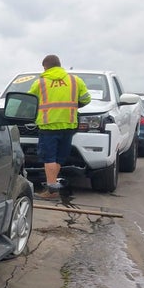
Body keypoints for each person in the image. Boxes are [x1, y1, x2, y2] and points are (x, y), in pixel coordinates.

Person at [28, 55, 91, 200]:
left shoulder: (40, 83)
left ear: (45, 67)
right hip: (68, 125)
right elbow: (86, 99)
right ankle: (53, 187)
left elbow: (30, 102)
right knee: (58, 159)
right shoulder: (75, 81)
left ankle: (51, 191)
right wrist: (74, 106)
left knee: (48, 158)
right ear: (59, 65)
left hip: (48, 125)